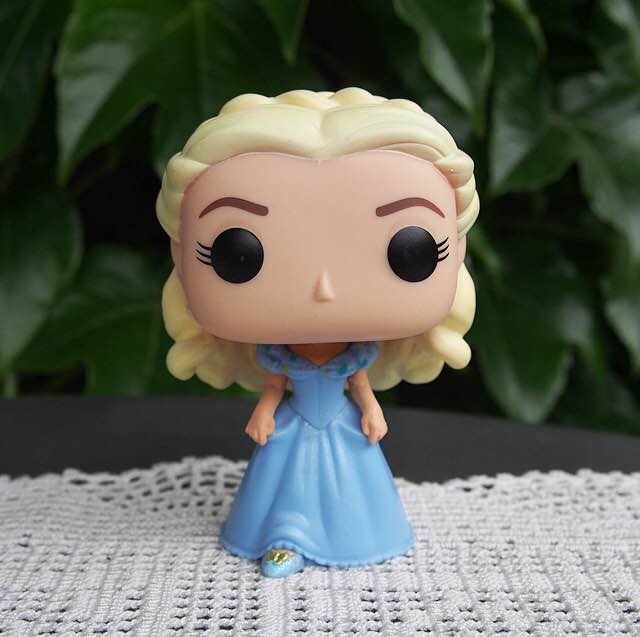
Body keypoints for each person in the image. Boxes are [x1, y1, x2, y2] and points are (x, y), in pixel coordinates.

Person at [156, 88, 479, 577]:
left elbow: (361, 385)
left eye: (409, 250)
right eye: (236, 252)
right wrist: (264, 412)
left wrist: (371, 409)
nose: (323, 290)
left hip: (341, 423)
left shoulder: (353, 358)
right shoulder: (283, 358)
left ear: (456, 249)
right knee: (285, 486)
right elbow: (274, 386)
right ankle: (286, 536)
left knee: (354, 485)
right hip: (294, 425)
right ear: (181, 256)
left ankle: (359, 535)